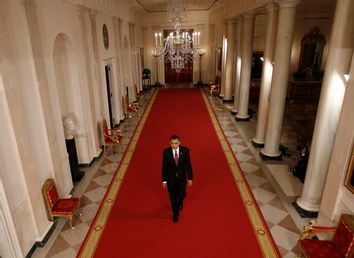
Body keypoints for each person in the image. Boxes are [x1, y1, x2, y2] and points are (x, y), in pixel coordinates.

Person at [162, 135, 193, 223]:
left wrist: (190, 178)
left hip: (182, 178)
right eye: (172, 143)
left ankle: (180, 200)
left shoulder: (185, 150)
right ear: (170, 143)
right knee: (172, 197)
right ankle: (175, 214)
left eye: (176, 143)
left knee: (181, 194)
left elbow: (188, 165)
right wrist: (164, 180)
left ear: (179, 142)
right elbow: (164, 167)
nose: (174, 145)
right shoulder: (166, 152)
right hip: (170, 179)